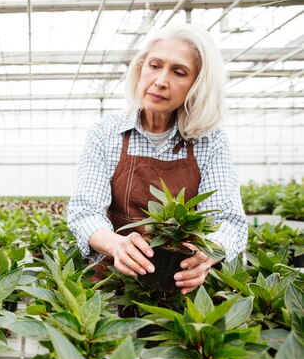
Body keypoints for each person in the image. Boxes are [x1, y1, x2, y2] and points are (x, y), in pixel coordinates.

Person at [68, 24, 247, 295]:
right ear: (140, 68)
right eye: (154, 65)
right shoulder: (106, 132)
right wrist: (116, 244)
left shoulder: (210, 140)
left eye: (178, 72)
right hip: (114, 283)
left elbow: (229, 220)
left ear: (196, 84)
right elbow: (85, 211)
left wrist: (207, 254)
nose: (161, 80)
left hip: (182, 286)